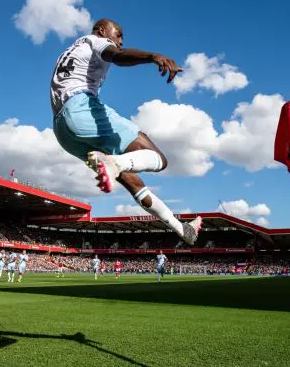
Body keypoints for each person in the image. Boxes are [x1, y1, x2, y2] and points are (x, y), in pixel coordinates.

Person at [50, 18, 202, 246]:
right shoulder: (95, 41)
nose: (120, 40)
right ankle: (114, 163)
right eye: (118, 34)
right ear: (102, 30)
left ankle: (181, 228)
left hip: (63, 131)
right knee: (159, 159)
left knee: (132, 181)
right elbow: (117, 56)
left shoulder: (70, 50)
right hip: (81, 109)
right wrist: (152, 57)